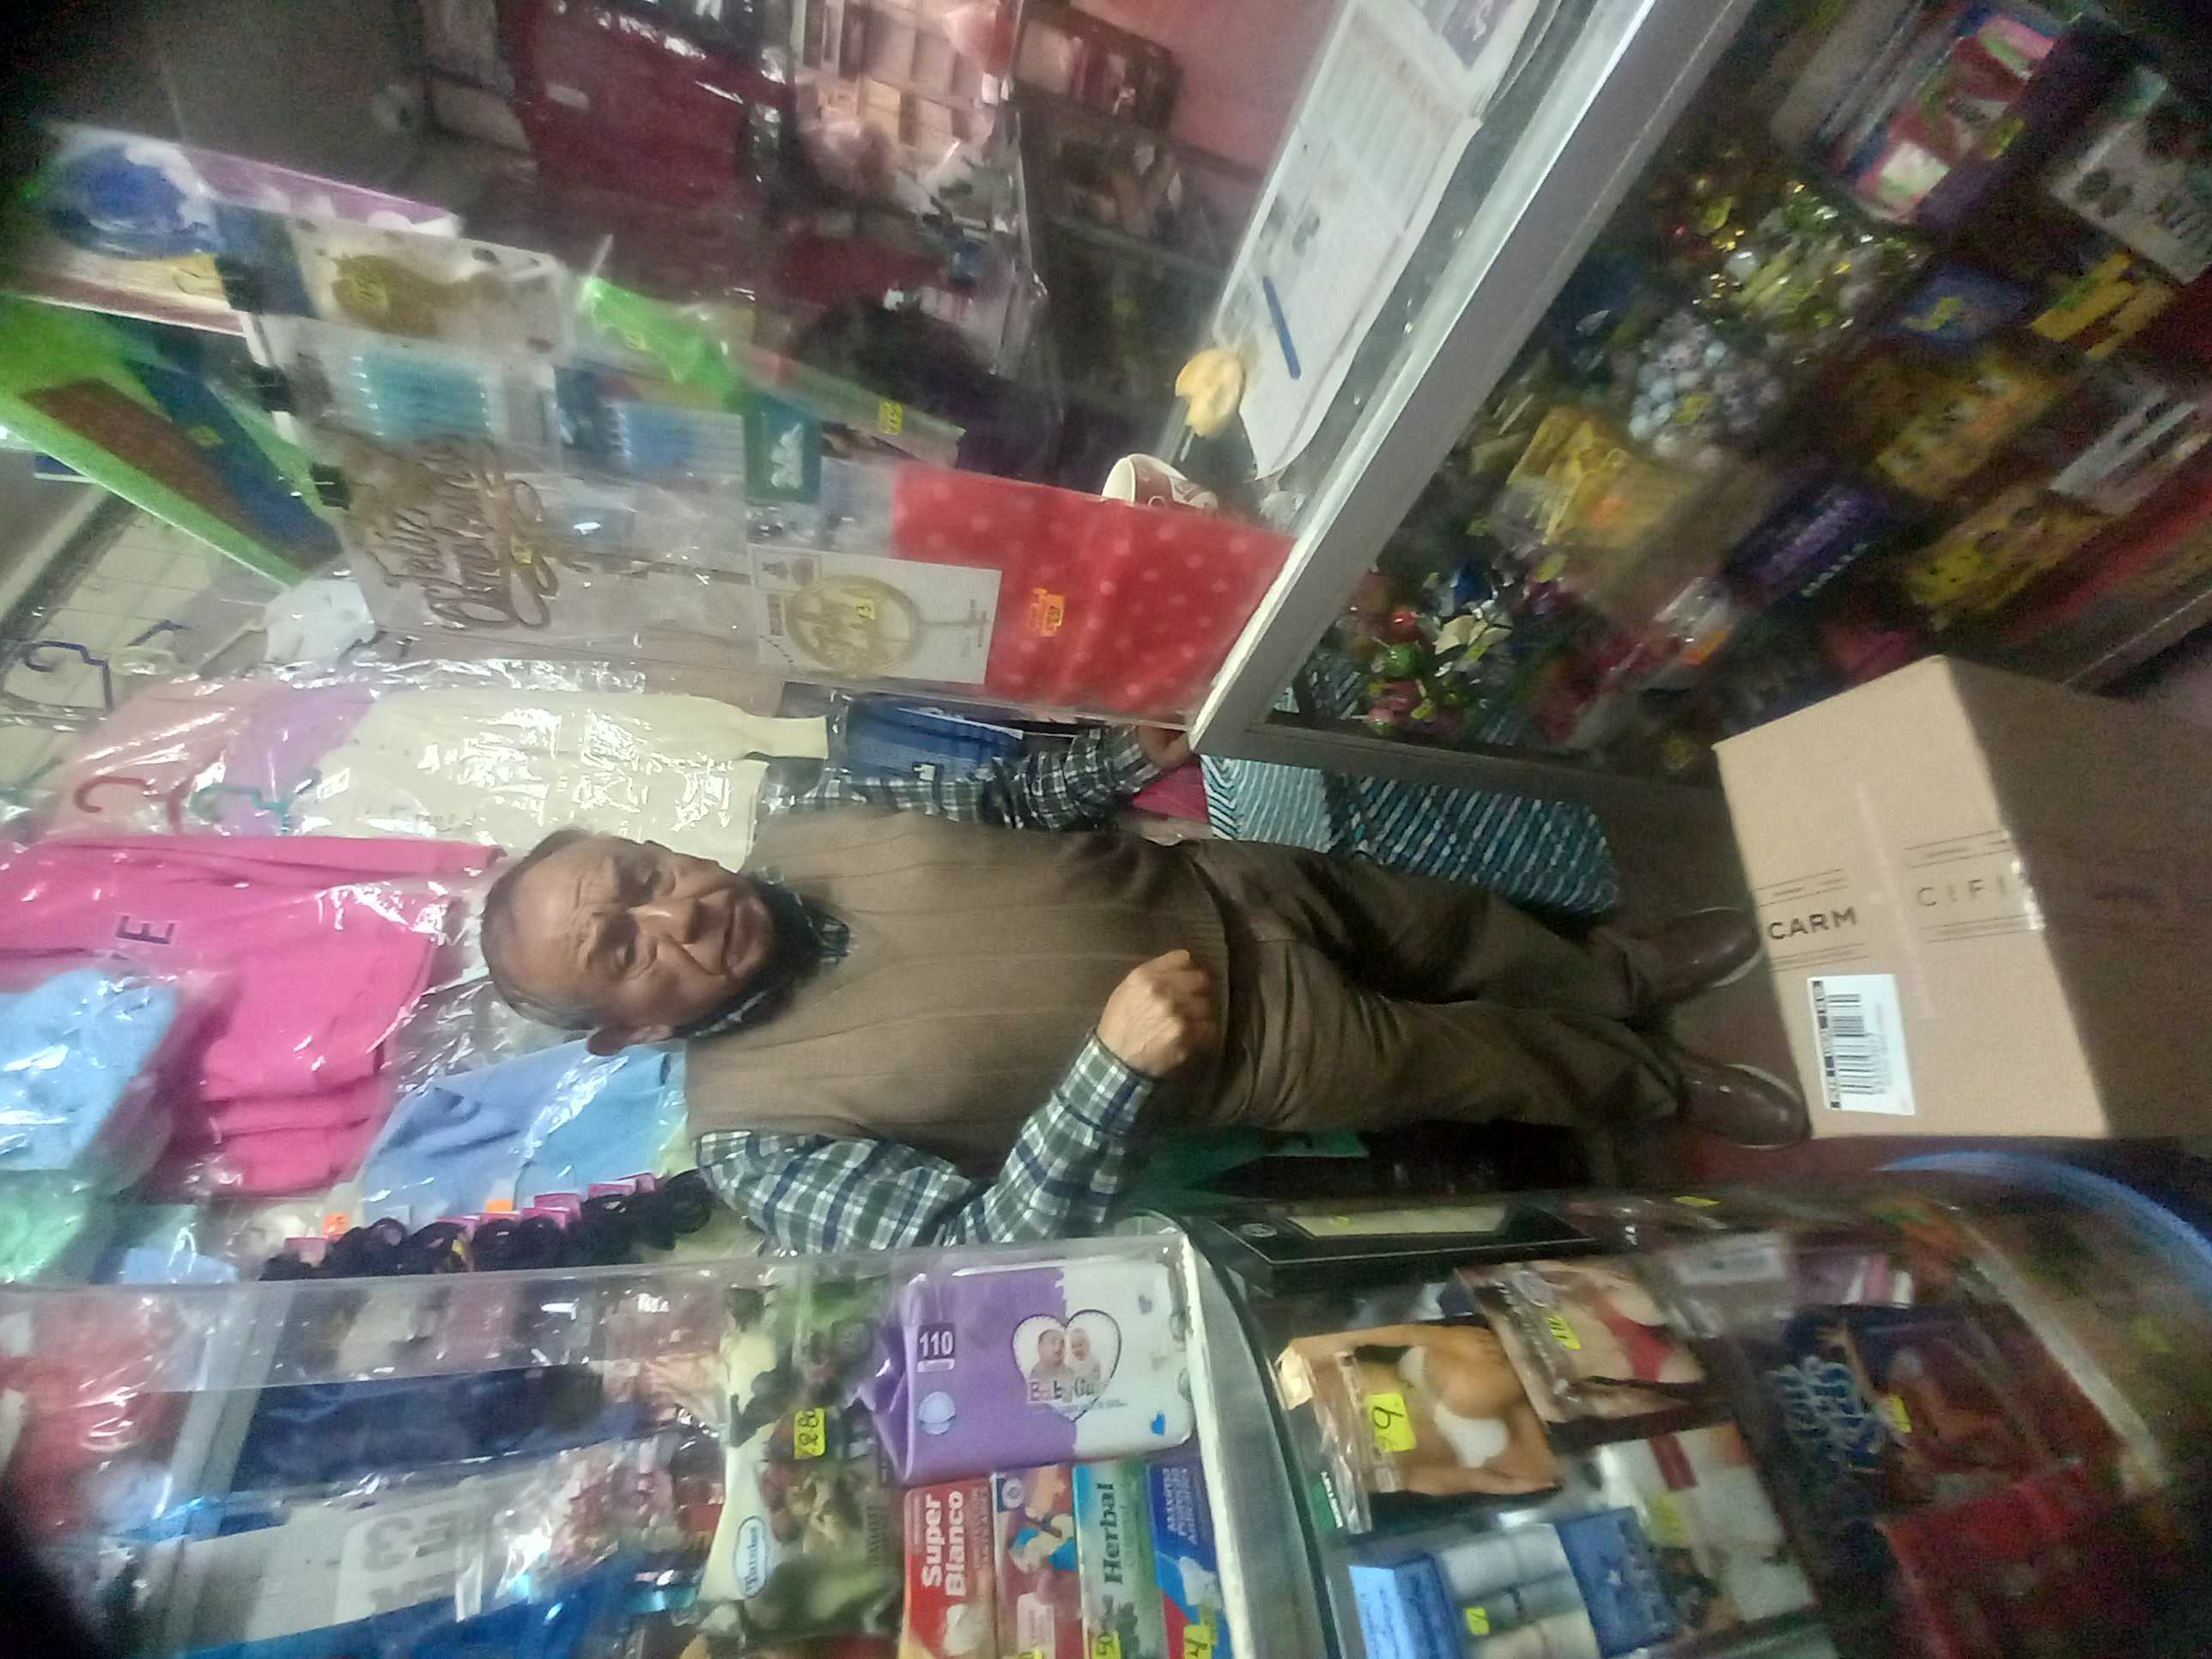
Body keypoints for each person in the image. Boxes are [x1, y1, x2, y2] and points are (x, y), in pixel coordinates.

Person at [481, 726, 1806, 1253]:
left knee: (1460, 931)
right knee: (1485, 1062)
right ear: (622, 1032)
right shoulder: (755, 1145)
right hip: (1257, 1047)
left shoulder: (811, 814)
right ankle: (1660, 1079)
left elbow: (1001, 803)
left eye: (644, 873)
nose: (680, 910)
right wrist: (1107, 1077)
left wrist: (1119, 755)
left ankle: (1622, 969)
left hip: (1231, 882)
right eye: (625, 948)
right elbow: (985, 1248)